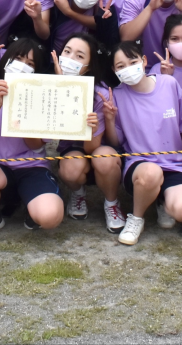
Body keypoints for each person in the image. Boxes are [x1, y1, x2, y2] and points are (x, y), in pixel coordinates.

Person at [100, 41, 182, 246]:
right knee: (151, 173)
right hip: (141, 165)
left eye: (132, 61)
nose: (128, 68)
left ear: (144, 61)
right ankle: (136, 218)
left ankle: (162, 200)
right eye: (120, 66)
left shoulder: (168, 84)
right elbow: (117, 141)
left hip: (175, 163)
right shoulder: (116, 95)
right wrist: (109, 118)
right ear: (114, 71)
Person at [0, 39, 65, 241]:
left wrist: (24, 116)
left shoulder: (41, 96)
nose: (23, 65)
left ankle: (37, 201)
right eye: (19, 58)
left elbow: (35, 144)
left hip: (31, 167)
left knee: (50, 217)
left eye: (30, 64)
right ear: (6, 61)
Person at [51, 33, 126, 232]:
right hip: (73, 151)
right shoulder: (47, 87)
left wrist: (91, 129)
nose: (70, 59)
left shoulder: (98, 94)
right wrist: (60, 84)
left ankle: (112, 203)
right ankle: (78, 193)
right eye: (67, 52)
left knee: (104, 159)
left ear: (90, 66)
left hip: (97, 148)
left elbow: (93, 147)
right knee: (70, 170)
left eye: (79, 56)